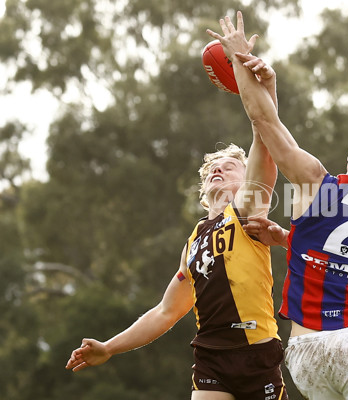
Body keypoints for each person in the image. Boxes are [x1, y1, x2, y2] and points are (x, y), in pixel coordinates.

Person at [208, 11, 348, 400]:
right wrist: (291, 239)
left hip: (305, 353)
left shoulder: (314, 182)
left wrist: (240, 60)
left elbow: (264, 124)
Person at [65, 50, 289, 400]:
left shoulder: (247, 210)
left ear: (246, 178)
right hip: (211, 358)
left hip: (256, 352)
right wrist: (109, 347)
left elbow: (266, 135)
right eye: (213, 168)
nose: (219, 168)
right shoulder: (194, 242)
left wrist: (262, 87)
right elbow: (166, 311)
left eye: (229, 165)